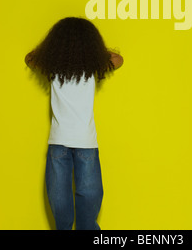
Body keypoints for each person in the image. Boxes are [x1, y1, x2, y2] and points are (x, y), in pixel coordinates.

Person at [25, 17, 123, 230]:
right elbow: (117, 59)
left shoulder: (84, 66)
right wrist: (91, 50)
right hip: (72, 143)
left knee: (71, 205)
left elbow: (119, 59)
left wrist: (63, 49)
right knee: (71, 204)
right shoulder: (64, 66)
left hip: (74, 143)